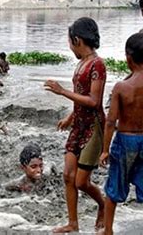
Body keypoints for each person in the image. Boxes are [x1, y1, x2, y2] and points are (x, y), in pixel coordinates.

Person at [99, 33, 143, 235]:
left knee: (114, 189)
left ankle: (108, 230)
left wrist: (104, 150)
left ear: (128, 57)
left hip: (126, 140)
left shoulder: (122, 87)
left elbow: (111, 121)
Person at [44, 17, 106, 233]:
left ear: (77, 40)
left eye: (70, 43)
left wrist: (62, 91)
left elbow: (94, 101)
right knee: (68, 176)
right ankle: (73, 223)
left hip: (93, 128)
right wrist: (70, 117)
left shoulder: (97, 64)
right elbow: (81, 96)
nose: (70, 47)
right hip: (78, 124)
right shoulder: (82, 63)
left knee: (81, 182)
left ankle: (103, 204)